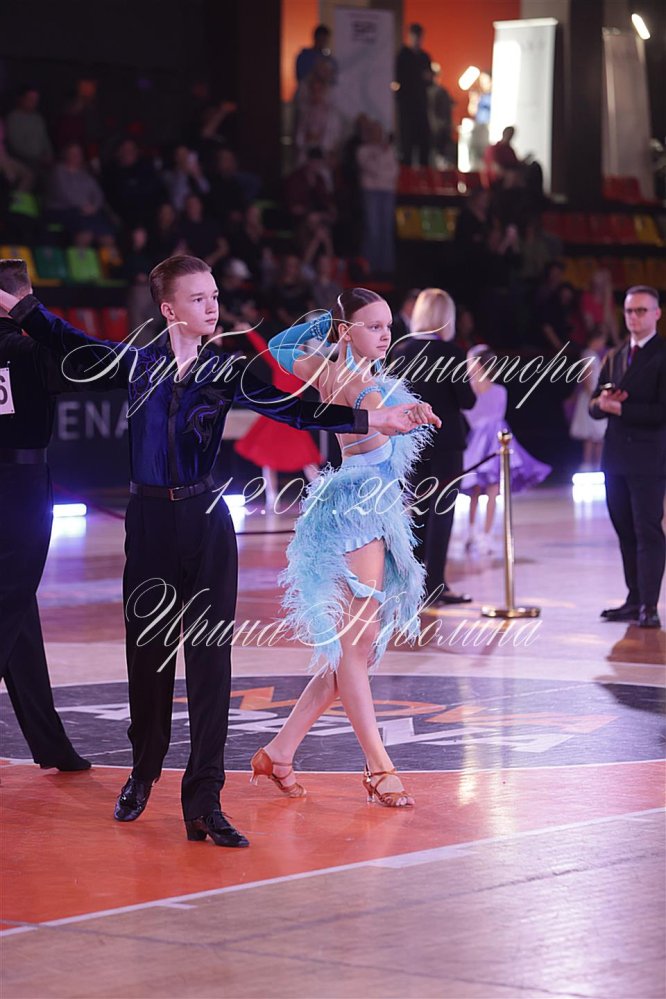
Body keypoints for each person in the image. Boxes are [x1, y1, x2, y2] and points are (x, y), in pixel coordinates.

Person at [0, 255, 437, 846]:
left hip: (206, 523)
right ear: (168, 309)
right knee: (148, 656)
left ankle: (205, 801)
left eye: (214, 296)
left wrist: (373, 416)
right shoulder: (138, 363)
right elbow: (68, 341)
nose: (212, 307)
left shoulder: (227, 368)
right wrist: (23, 306)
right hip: (148, 523)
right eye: (199, 298)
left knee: (211, 663)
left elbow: (294, 409)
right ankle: (143, 772)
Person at [249, 290, 441, 807]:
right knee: (357, 647)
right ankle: (379, 767)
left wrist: (407, 407)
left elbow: (280, 344)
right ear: (345, 331)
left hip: (365, 512)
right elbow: (377, 447)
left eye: (387, 325)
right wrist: (400, 412)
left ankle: (279, 752)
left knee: (354, 651)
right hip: (358, 514)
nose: (385, 335)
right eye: (372, 326)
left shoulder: (333, 372)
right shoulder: (359, 387)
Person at [0, 260, 90, 772]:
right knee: (8, 606)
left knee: (18, 612)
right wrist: (33, 317)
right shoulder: (32, 349)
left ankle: (51, 744)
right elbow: (91, 361)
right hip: (21, 490)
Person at [389, 288, 476, 603]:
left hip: (412, 440)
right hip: (446, 441)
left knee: (417, 510)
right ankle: (435, 584)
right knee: (443, 512)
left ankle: (412, 584)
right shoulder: (452, 352)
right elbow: (467, 400)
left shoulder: (401, 351)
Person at [590, 285, 666, 629]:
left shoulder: (662, 354)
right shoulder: (616, 354)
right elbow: (593, 405)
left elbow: (662, 411)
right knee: (624, 529)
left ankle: (649, 605)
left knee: (647, 530)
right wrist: (603, 403)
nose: (634, 317)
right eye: (629, 311)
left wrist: (621, 408)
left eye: (641, 310)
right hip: (615, 457)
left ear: (656, 314)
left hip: (649, 458)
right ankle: (634, 599)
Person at [462, 345, 551, 555]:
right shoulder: (470, 391)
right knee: (476, 489)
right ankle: (473, 533)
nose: (467, 365)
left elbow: (491, 418)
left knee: (491, 488)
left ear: (478, 364)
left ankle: (484, 535)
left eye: (470, 361)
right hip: (479, 443)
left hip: (494, 442)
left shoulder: (498, 391)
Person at [234, 325, 322, 507]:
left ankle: (322, 492)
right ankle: (271, 496)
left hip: (292, 414)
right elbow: (262, 346)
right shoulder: (279, 362)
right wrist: (248, 330)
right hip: (276, 414)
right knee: (267, 456)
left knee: (306, 457)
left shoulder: (306, 365)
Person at [356, 120, 399, 275]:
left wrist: (382, 172)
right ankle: (369, 266)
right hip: (371, 192)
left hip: (387, 192)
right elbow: (371, 168)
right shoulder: (363, 151)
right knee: (372, 229)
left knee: (386, 230)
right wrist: (381, 161)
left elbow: (394, 170)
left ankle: (386, 268)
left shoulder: (389, 150)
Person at [569, 326, 608, 470]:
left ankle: (596, 464)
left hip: (592, 396)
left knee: (595, 435)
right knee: (594, 434)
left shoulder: (591, 355)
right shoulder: (589, 354)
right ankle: (590, 464)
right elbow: (586, 378)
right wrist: (594, 395)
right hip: (591, 397)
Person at [395, 24, 432, 166]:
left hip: (421, 105)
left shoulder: (424, 57)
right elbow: (399, 78)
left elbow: (429, 80)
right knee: (407, 143)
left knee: (424, 143)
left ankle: (424, 174)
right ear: (409, 37)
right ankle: (407, 174)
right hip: (406, 106)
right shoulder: (402, 56)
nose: (417, 40)